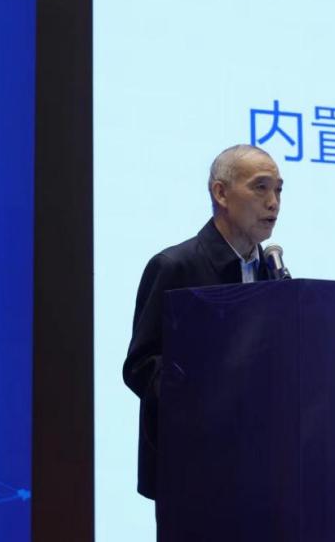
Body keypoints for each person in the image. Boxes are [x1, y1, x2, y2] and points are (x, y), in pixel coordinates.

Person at [123, 144, 284, 502]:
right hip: (193, 471)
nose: (273, 202)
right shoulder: (174, 267)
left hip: (260, 468)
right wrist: (208, 395)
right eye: (260, 187)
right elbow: (141, 366)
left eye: (278, 190)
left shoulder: (272, 274)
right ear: (221, 193)